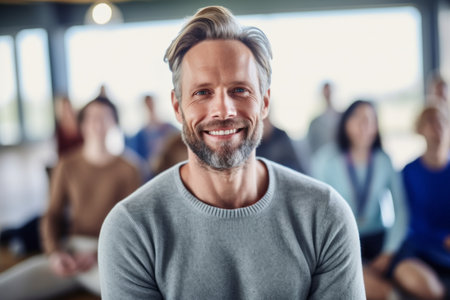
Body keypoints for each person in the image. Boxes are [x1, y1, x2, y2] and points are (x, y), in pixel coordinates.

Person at [98, 6, 365, 299]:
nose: (223, 110)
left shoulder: (325, 216)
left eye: (239, 90)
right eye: (202, 92)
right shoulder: (132, 229)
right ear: (177, 107)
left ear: (264, 103)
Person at [0, 96, 141, 299]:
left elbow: (132, 225)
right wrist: (55, 252)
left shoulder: (130, 168)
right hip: (71, 250)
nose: (97, 124)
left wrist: (96, 255)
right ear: (82, 124)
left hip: (110, 253)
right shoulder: (67, 165)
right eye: (91, 118)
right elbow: (52, 214)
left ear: (114, 123)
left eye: (104, 117)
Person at [311, 100, 407, 300]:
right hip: (341, 241)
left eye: (370, 120)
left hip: (380, 240)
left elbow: (401, 209)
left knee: (426, 287)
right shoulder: (326, 160)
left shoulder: (384, 160)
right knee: (387, 294)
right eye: (358, 118)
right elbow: (317, 213)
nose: (365, 125)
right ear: (346, 123)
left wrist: (389, 252)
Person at [389, 106, 450, 300]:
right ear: (420, 129)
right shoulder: (409, 171)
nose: (437, 127)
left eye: (442, 121)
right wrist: (443, 238)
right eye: (430, 122)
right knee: (407, 274)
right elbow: (410, 218)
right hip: (421, 247)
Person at [125, 94, 179, 180]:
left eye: (152, 105)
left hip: (173, 174)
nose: (150, 109)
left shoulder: (171, 130)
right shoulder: (138, 137)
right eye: (147, 106)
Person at [306, 81, 342, 156]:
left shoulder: (344, 119)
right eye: (326, 93)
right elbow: (309, 147)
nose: (328, 95)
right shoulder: (315, 122)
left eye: (330, 92)